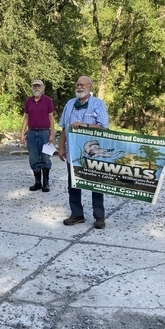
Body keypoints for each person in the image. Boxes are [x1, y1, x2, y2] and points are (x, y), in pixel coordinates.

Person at [58, 76, 109, 229]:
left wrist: (84, 125)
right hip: (73, 152)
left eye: (82, 85)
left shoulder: (98, 104)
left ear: (90, 87)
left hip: (92, 153)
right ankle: (77, 214)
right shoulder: (69, 104)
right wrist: (61, 147)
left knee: (95, 183)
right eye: (77, 84)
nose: (79, 87)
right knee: (73, 184)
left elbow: (104, 127)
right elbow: (64, 127)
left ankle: (99, 217)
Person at [20, 80, 55, 192]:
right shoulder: (28, 101)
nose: (36, 88)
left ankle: (46, 183)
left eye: (38, 86)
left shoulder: (47, 100)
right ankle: (37, 182)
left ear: (42, 88)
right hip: (31, 132)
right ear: (32, 88)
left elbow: (51, 118)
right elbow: (26, 118)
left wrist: (52, 133)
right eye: (35, 86)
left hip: (44, 132)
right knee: (33, 157)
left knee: (45, 157)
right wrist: (22, 133)